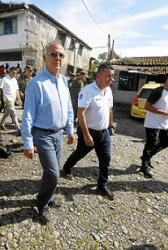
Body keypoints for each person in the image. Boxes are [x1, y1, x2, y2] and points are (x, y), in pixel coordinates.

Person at [21, 40, 74, 222]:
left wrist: (70, 129)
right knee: (53, 173)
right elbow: (27, 114)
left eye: (60, 55)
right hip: (42, 135)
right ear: (44, 57)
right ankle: (42, 203)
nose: (57, 58)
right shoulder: (36, 83)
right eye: (53, 54)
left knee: (51, 172)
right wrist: (28, 143)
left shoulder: (64, 82)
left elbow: (68, 107)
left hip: (58, 134)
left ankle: (49, 196)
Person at [62, 64, 115, 200]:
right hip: (89, 131)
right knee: (80, 152)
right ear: (99, 75)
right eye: (108, 76)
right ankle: (67, 167)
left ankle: (102, 185)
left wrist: (110, 126)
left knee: (105, 159)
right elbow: (81, 113)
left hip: (104, 133)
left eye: (112, 76)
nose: (111, 79)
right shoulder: (88, 90)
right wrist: (86, 134)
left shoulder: (108, 90)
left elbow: (109, 109)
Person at [140, 70, 168, 178]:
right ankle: (144, 165)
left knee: (166, 142)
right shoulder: (158, 91)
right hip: (153, 122)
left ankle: (147, 157)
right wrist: (166, 113)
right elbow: (147, 106)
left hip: (165, 122)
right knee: (151, 144)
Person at [0, 66, 22, 131]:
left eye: (16, 73)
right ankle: (18, 128)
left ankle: (1, 124)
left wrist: (19, 99)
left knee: (7, 112)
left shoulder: (14, 80)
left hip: (13, 99)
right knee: (13, 112)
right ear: (10, 72)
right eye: (13, 73)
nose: (15, 74)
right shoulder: (4, 79)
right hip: (7, 98)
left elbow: (16, 90)